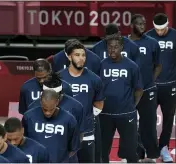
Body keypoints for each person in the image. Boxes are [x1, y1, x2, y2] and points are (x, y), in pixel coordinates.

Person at [99, 34, 143, 163]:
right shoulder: (101, 65)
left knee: (130, 151)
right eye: (110, 47)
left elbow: (139, 89)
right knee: (103, 150)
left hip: (126, 114)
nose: (112, 50)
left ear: (122, 47)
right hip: (105, 114)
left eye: (116, 47)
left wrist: (131, 106)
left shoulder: (132, 66)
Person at [59, 40, 105, 163]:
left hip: (87, 132)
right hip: (64, 132)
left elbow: (99, 104)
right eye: (77, 55)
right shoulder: (59, 78)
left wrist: (86, 117)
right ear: (69, 56)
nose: (81, 58)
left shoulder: (95, 79)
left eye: (83, 55)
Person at [28, 73, 85, 162]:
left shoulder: (76, 107)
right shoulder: (32, 108)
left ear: (60, 94)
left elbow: (80, 135)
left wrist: (62, 157)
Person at [129, 14, 162, 162]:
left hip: (148, 90)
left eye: (144, 24)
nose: (142, 27)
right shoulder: (125, 43)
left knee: (148, 124)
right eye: (139, 24)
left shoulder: (153, 43)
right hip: (129, 92)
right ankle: (135, 154)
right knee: (128, 125)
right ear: (132, 25)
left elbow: (158, 66)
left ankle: (153, 155)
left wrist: (150, 81)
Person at [146, 13, 176, 163]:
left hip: (170, 85)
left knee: (168, 118)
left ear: (168, 24)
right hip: (151, 86)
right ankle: (150, 149)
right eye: (157, 29)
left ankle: (164, 147)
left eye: (162, 29)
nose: (159, 32)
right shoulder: (147, 37)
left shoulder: (175, 36)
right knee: (148, 118)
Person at [22, 89, 80, 163]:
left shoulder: (69, 120)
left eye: (51, 109)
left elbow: (73, 148)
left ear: (57, 102)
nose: (48, 113)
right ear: (40, 102)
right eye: (45, 109)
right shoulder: (29, 117)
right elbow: (24, 142)